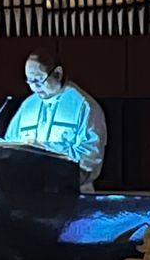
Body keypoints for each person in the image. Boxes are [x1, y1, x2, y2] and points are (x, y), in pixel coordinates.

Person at [6, 53, 106, 190]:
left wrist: (45, 148)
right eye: (30, 81)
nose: (34, 87)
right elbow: (10, 144)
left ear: (58, 74)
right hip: (30, 192)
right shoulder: (28, 105)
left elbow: (90, 157)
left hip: (71, 193)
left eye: (39, 79)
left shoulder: (83, 106)